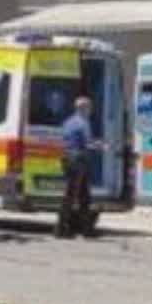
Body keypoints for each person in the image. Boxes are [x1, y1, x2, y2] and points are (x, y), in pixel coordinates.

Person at [56, 95, 95, 239]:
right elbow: (88, 143)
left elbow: (64, 140)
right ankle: (62, 230)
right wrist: (102, 146)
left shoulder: (68, 122)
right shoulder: (83, 123)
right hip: (78, 160)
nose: (91, 110)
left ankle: (85, 230)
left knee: (78, 195)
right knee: (77, 196)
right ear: (83, 108)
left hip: (67, 159)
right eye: (89, 107)